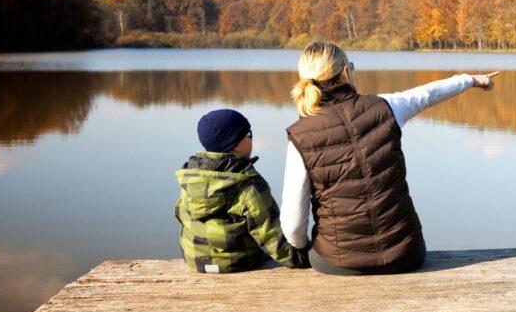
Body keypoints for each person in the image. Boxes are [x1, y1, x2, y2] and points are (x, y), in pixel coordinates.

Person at [280, 41, 498, 275]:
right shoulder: (385, 107)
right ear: (345, 72)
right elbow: (427, 94)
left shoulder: (300, 136)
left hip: (339, 263)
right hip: (406, 254)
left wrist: (303, 248)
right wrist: (471, 80)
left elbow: (293, 227)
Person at [175, 109, 309, 273]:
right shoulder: (247, 183)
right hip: (238, 262)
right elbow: (272, 237)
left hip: (194, 260)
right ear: (236, 143)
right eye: (248, 134)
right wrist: (304, 258)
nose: (251, 139)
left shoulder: (191, 175)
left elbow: (179, 213)